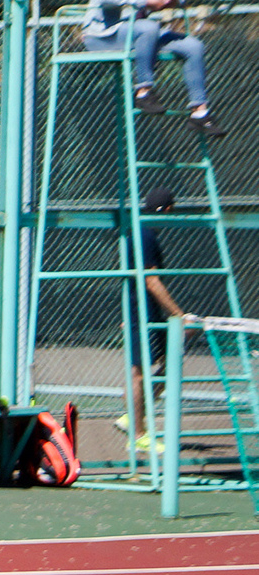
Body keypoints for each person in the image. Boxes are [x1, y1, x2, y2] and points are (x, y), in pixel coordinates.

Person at [83, 0, 227, 138]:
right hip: (103, 34)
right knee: (148, 27)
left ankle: (200, 113)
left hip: (139, 34)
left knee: (193, 46)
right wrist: (144, 1)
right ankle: (143, 91)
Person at [119, 186, 193, 452]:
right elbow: (151, 281)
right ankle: (138, 434)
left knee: (167, 363)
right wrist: (179, 315)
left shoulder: (140, 233)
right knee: (138, 373)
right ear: (169, 210)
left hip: (144, 312)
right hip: (143, 313)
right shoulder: (144, 236)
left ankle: (133, 417)